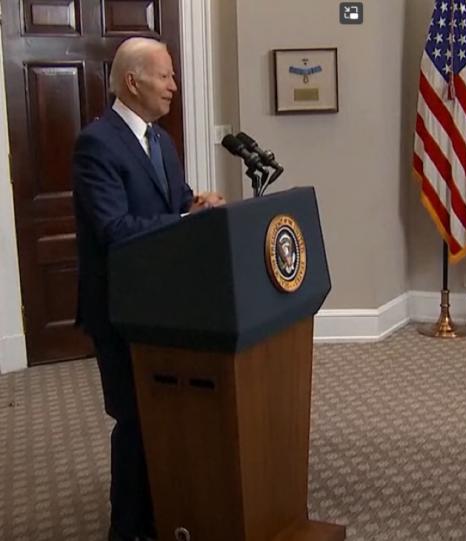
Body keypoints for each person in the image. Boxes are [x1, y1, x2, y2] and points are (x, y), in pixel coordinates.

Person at [72, 37, 224, 541]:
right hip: (120, 308)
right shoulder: (97, 144)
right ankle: (127, 530)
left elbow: (174, 202)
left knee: (166, 416)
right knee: (135, 420)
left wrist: (196, 205)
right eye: (166, 76)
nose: (174, 86)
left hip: (164, 305)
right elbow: (113, 228)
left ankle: (164, 517)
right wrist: (182, 219)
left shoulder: (162, 140)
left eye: (174, 76)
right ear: (133, 81)